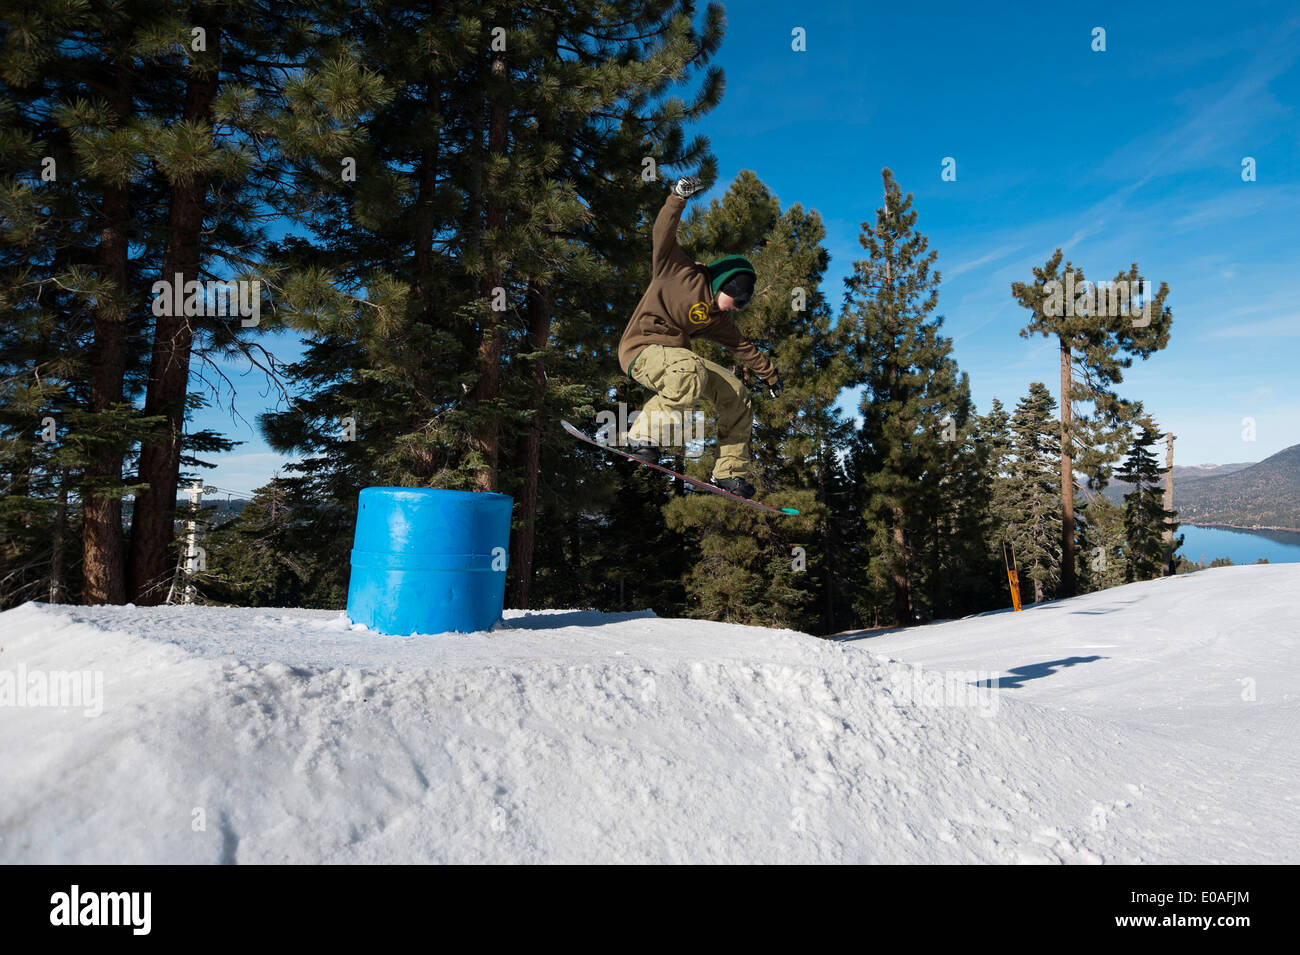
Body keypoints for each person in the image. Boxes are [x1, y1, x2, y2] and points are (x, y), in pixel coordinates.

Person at [615, 176, 783, 499]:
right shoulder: (677, 269)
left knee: (737, 393)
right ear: (724, 283)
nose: (738, 305)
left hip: (678, 361)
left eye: (744, 303)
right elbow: (662, 233)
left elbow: (743, 347)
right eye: (737, 297)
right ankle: (642, 438)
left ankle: (729, 472)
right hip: (640, 349)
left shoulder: (718, 319)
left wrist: (771, 376)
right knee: (689, 370)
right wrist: (677, 197)